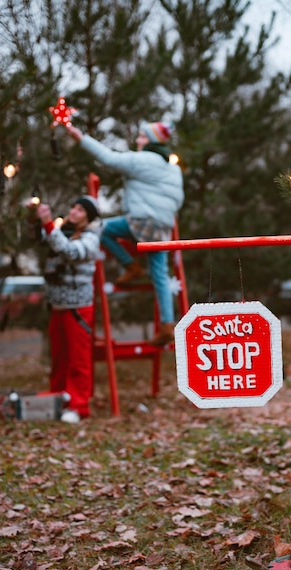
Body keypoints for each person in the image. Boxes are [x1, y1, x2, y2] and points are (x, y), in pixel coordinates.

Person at [66, 120, 184, 346]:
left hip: (141, 222)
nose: (137, 140)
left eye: (141, 136)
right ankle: (168, 324)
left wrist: (81, 138)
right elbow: (178, 199)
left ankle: (130, 265)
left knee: (99, 229)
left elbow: (109, 158)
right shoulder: (173, 168)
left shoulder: (142, 160)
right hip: (163, 227)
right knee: (160, 274)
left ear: (150, 141)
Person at [36, 196, 101, 424]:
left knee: (78, 358)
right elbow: (45, 240)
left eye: (80, 209)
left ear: (89, 216)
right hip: (58, 305)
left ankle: (78, 404)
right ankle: (58, 398)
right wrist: (37, 219)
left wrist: (47, 223)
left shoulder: (91, 238)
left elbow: (71, 253)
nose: (74, 211)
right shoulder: (64, 230)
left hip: (78, 307)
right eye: (73, 207)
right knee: (60, 358)